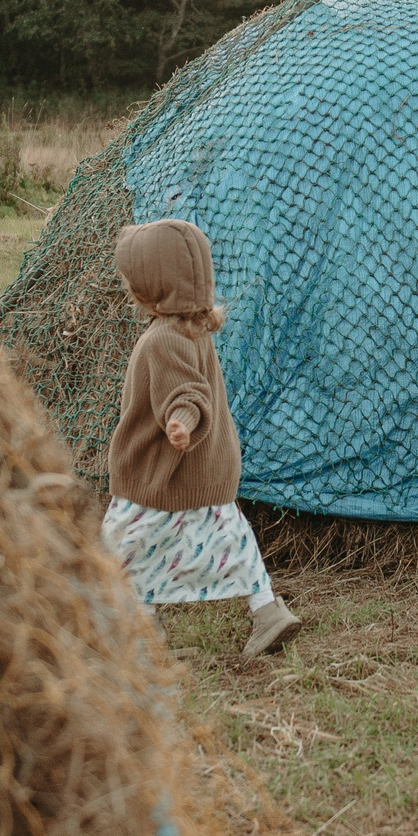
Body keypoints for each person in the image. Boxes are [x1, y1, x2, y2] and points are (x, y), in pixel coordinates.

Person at [102, 218, 301, 659]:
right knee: (228, 537)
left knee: (122, 545)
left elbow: (187, 393)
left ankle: (144, 641)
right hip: (209, 468)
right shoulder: (194, 328)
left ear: (153, 288)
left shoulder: (161, 340)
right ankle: (267, 610)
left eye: (132, 280)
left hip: (164, 473)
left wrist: (180, 423)